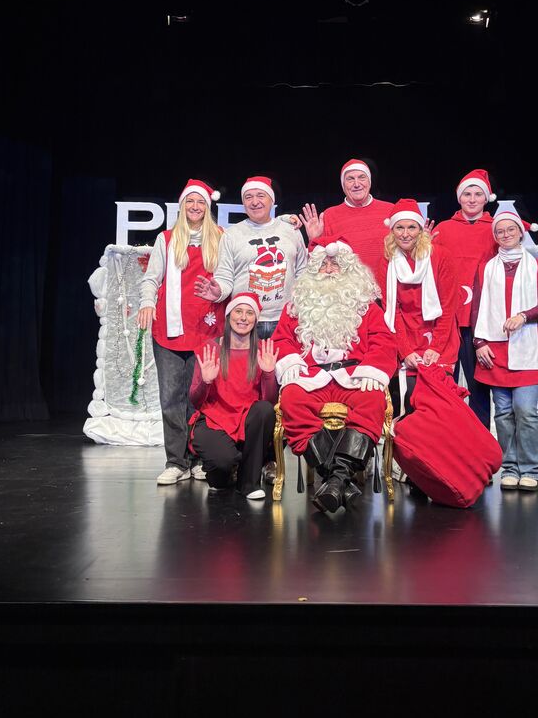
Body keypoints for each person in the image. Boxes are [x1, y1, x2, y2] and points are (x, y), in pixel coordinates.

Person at [272, 236, 398, 513]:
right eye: (323, 264)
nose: (329, 270)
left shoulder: (367, 306)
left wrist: (373, 368)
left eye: (336, 264)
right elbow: (282, 339)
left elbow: (384, 341)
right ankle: (339, 480)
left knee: (372, 400)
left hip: (353, 375)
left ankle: (335, 480)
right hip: (311, 376)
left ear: (350, 269)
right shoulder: (297, 305)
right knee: (292, 399)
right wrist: (291, 362)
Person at [139, 179, 224, 486]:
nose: (195, 207)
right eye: (190, 201)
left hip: (207, 328)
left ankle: (199, 458)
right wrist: (147, 302)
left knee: (201, 398)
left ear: (208, 207)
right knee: (171, 398)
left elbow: (229, 277)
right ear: (182, 206)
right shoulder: (166, 239)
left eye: (201, 202)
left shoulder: (220, 238)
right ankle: (177, 462)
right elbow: (152, 278)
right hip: (170, 329)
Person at [470, 202, 538, 492]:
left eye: (510, 230)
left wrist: (523, 316)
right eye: (500, 231)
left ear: (520, 233)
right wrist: (479, 342)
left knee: (525, 410)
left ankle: (530, 469)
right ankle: (510, 467)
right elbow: (477, 308)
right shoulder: (486, 268)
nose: (505, 234)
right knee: (503, 413)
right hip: (495, 350)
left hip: (528, 347)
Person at [188, 293, 278, 500]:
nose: (243, 318)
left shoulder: (263, 351)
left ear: (255, 320)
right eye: (238, 311)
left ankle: (248, 483)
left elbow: (270, 402)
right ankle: (232, 465)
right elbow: (195, 400)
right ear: (229, 316)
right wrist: (205, 382)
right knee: (221, 470)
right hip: (214, 420)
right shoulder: (210, 350)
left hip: (247, 420)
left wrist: (268, 374)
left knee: (264, 409)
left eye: (249, 313)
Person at [195, 175, 307, 339]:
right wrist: (219, 292)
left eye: (261, 195)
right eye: (248, 197)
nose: (255, 202)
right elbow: (225, 276)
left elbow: (302, 272)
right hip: (245, 320)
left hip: (286, 318)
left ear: (271, 200)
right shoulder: (231, 235)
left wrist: (300, 307)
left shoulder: (291, 230)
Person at [378, 199, 459, 416]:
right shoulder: (387, 261)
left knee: (440, 403)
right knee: (411, 402)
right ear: (392, 230)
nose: (405, 234)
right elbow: (391, 311)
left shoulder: (440, 256)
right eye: (399, 228)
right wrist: (405, 351)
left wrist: (436, 347)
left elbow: (448, 307)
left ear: (420, 230)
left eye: (411, 227)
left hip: (440, 339)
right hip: (405, 338)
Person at [433, 168, 498, 428]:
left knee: (478, 383)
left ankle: (480, 439)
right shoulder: (443, 229)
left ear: (486, 198)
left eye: (477, 194)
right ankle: (448, 438)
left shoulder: (495, 229)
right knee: (444, 382)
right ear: (459, 197)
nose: (472, 199)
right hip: (448, 317)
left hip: (479, 319)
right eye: (467, 194)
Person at [299, 158, 395, 278]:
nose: (357, 184)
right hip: (348, 288)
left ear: (369, 181)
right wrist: (314, 239)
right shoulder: (330, 215)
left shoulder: (390, 210)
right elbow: (321, 264)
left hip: (387, 285)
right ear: (343, 185)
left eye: (362, 177)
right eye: (350, 179)